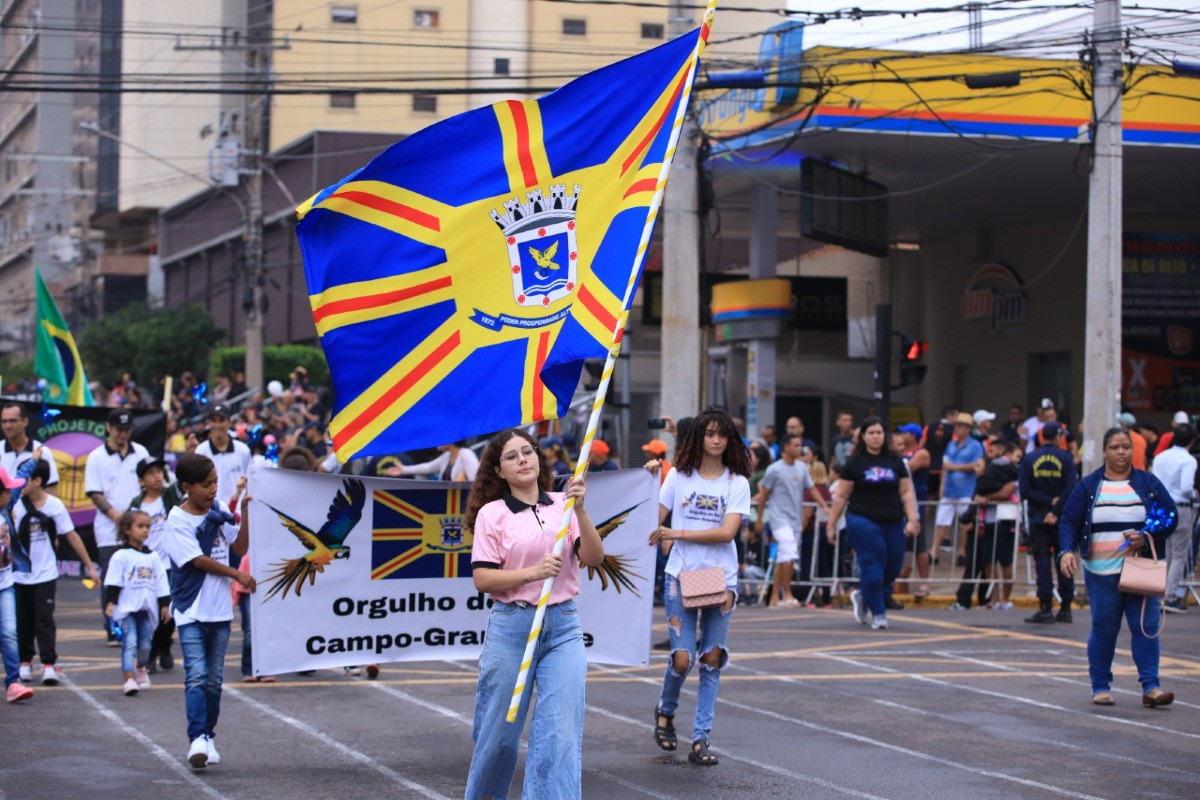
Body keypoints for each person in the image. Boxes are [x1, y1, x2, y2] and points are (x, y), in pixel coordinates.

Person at [463, 429, 602, 799]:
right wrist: (533, 573)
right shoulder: (492, 514)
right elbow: (483, 578)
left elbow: (594, 558)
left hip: (563, 627)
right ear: (500, 471)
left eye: (528, 451)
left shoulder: (564, 505)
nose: (523, 459)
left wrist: (582, 511)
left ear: (540, 459)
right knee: (499, 737)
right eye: (512, 456)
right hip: (512, 627)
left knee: (560, 734)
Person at [648, 406, 751, 767]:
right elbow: (652, 519)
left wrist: (677, 533)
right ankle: (666, 710)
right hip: (681, 574)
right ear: (699, 437)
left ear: (730, 440)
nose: (716, 440)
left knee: (712, 658)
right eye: (709, 433)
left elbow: (727, 532)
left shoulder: (737, 482)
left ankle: (700, 738)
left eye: (722, 434)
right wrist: (649, 481)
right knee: (683, 657)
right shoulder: (678, 476)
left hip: (721, 578)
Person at [1059, 427, 1177, 708]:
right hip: (1101, 571)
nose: (1121, 452)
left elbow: (1170, 515)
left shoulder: (1147, 482)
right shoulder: (1089, 485)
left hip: (1139, 568)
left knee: (1146, 628)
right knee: (1104, 629)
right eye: (1115, 447)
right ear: (1104, 451)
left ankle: (1151, 687)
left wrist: (1146, 534)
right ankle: (1100, 686)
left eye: (1126, 446)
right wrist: (1066, 551)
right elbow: (1069, 520)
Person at [162, 452, 255, 769]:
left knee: (214, 680)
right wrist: (236, 574)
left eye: (215, 482)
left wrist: (244, 511)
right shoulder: (176, 519)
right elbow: (197, 561)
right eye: (206, 484)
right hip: (190, 609)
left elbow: (239, 548)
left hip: (220, 612)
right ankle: (197, 738)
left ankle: (208, 735)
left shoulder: (217, 511)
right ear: (187, 486)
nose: (214, 489)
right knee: (197, 675)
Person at [825, 416, 919, 630]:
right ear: (864, 437)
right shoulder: (855, 462)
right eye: (871, 433)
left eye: (879, 432)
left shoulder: (895, 461)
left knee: (893, 566)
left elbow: (906, 492)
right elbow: (841, 496)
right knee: (873, 563)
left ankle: (865, 595)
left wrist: (913, 519)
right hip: (862, 519)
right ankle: (878, 613)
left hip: (893, 520)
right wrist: (831, 524)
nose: (876, 436)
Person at [14, 459, 99, 685]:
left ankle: (49, 664)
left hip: (45, 573)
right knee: (23, 620)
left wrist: (90, 566)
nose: (19, 483)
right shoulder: (14, 504)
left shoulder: (54, 506)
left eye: (24, 479)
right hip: (19, 574)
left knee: (44, 619)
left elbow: (71, 535)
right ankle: (24, 662)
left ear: (37, 481)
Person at [85, 409, 150, 642]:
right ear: (109, 428)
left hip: (138, 528)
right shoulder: (96, 457)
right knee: (112, 577)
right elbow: (95, 493)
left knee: (138, 575)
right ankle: (112, 625)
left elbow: (149, 485)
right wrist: (120, 520)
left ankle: (138, 622)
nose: (123, 434)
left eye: (126, 430)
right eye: (118, 429)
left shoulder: (140, 452)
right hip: (109, 529)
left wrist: (135, 522)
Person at [755, 433, 829, 608]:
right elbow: (764, 495)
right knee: (787, 552)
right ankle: (787, 594)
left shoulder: (802, 468)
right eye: (795, 445)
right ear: (786, 447)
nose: (799, 449)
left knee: (784, 557)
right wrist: (759, 519)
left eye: (800, 445)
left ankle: (774, 596)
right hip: (778, 518)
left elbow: (812, 489)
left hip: (795, 519)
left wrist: (825, 506)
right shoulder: (774, 469)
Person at [104, 510, 170, 696]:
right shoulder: (121, 556)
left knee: (145, 646)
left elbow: (161, 582)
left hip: (147, 610)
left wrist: (165, 604)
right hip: (127, 610)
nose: (145, 530)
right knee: (130, 643)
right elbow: (114, 581)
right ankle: (129, 679)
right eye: (140, 526)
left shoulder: (153, 557)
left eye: (148, 526)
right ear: (127, 529)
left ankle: (141, 668)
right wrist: (110, 603)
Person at [1018, 422, 1078, 623]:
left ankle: (1045, 607)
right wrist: (1056, 508)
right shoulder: (1066, 458)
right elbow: (1071, 488)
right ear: (1059, 436)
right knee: (1064, 561)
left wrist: (1048, 506)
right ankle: (1066, 607)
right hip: (1062, 519)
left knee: (1042, 563)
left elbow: (1025, 490)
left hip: (1038, 518)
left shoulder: (1030, 458)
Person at [129, 458, 183, 670]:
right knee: (150, 609)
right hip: (147, 565)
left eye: (159, 471)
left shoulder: (169, 496)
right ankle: (151, 651)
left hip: (170, 563)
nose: (157, 476)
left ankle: (164, 644)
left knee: (170, 609)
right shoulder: (136, 504)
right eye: (151, 473)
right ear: (142, 480)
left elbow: (183, 481)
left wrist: (190, 453)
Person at [1151, 423, 1197, 614]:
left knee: (1165, 553)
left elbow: (1154, 482)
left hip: (1162, 507)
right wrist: (1194, 493)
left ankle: (1158, 594)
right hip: (1181, 507)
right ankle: (1169, 596)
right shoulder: (1189, 460)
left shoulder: (1160, 457)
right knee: (1179, 555)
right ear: (1192, 442)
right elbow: (1186, 487)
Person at [1, 463, 35, 703]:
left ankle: (13, 682)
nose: (12, 494)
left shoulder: (5, 510)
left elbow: (20, 481)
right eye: (8, 490)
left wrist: (33, 460)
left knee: (10, 633)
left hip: (5, 584)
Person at [932, 413, 985, 563]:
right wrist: (942, 485)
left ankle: (964, 552)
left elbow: (977, 464)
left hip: (966, 489)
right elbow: (944, 466)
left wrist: (955, 467)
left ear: (968, 429)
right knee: (942, 520)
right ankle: (934, 551)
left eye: (961, 426)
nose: (958, 429)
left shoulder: (975, 445)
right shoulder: (951, 444)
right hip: (950, 488)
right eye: (957, 426)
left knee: (965, 522)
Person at [896, 423, 932, 599]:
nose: (901, 436)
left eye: (904, 433)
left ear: (913, 435)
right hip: (900, 503)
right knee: (902, 546)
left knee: (920, 545)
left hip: (917, 503)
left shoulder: (921, 453)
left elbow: (904, 470)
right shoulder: (899, 455)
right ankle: (901, 583)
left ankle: (924, 583)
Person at [195, 404, 252, 506]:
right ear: (208, 423)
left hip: (238, 513)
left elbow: (250, 482)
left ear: (229, 422)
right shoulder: (201, 451)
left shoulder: (243, 451)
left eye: (221, 420)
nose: (217, 425)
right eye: (213, 421)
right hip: (211, 512)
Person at [0, 402, 59, 489]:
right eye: (4, 421)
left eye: (12, 421)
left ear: (25, 421)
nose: (7, 425)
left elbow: (51, 487)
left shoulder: (42, 451)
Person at [396, 441, 480, 482]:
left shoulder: (466, 454)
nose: (438, 441)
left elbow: (475, 480)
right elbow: (428, 467)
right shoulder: (446, 456)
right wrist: (403, 469)